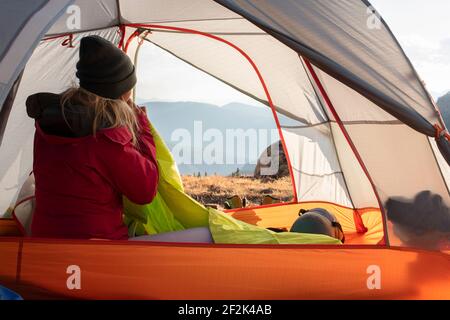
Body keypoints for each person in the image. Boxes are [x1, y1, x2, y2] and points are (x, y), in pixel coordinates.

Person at [26, 35, 159, 240]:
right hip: (95, 250)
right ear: (120, 93)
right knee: (203, 241)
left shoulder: (48, 122)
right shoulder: (108, 139)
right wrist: (141, 124)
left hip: (43, 244)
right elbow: (145, 190)